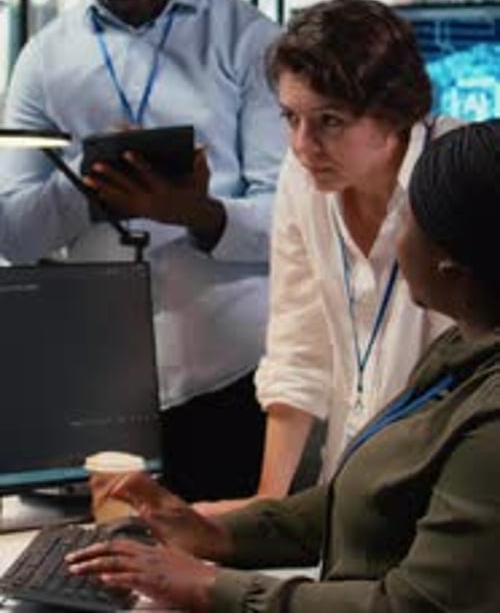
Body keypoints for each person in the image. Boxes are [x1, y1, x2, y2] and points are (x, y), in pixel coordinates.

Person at [67, 118, 500, 612]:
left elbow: (414, 606)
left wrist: (211, 587)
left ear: (451, 268)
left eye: (407, 219)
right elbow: (367, 500)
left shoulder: (492, 420)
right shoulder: (460, 350)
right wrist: (213, 534)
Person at [0, 0, 286, 501]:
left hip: (229, 381)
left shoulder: (249, 42)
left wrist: (197, 213)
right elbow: (14, 234)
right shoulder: (44, 60)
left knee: (218, 575)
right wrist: (86, 181)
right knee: (89, 574)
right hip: (90, 385)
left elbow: (289, 221)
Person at [198, 0, 456, 515]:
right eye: (290, 117)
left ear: (392, 111)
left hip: (451, 493)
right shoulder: (303, 181)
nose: (301, 145)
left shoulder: (458, 175)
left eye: (329, 121)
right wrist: (267, 505)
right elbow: (297, 345)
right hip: (348, 492)